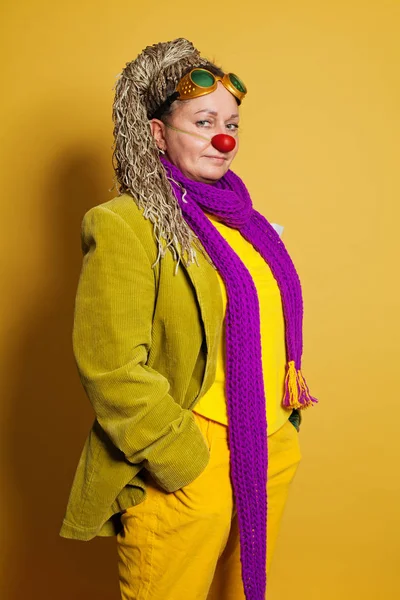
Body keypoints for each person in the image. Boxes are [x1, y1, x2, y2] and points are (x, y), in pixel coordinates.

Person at [60, 38, 318, 600]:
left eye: (231, 123)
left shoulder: (248, 223)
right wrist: (183, 460)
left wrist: (286, 430)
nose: (223, 138)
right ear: (157, 134)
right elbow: (110, 368)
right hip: (187, 457)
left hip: (265, 447)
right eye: (203, 122)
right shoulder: (124, 224)